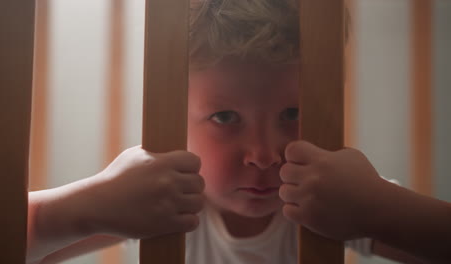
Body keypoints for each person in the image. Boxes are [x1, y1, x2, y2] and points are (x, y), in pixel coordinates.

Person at [26, 0, 451, 263]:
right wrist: (85, 206)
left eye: (292, 112)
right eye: (225, 118)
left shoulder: (332, 202)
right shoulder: (161, 205)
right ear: (172, 113)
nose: (265, 155)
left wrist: (380, 208)